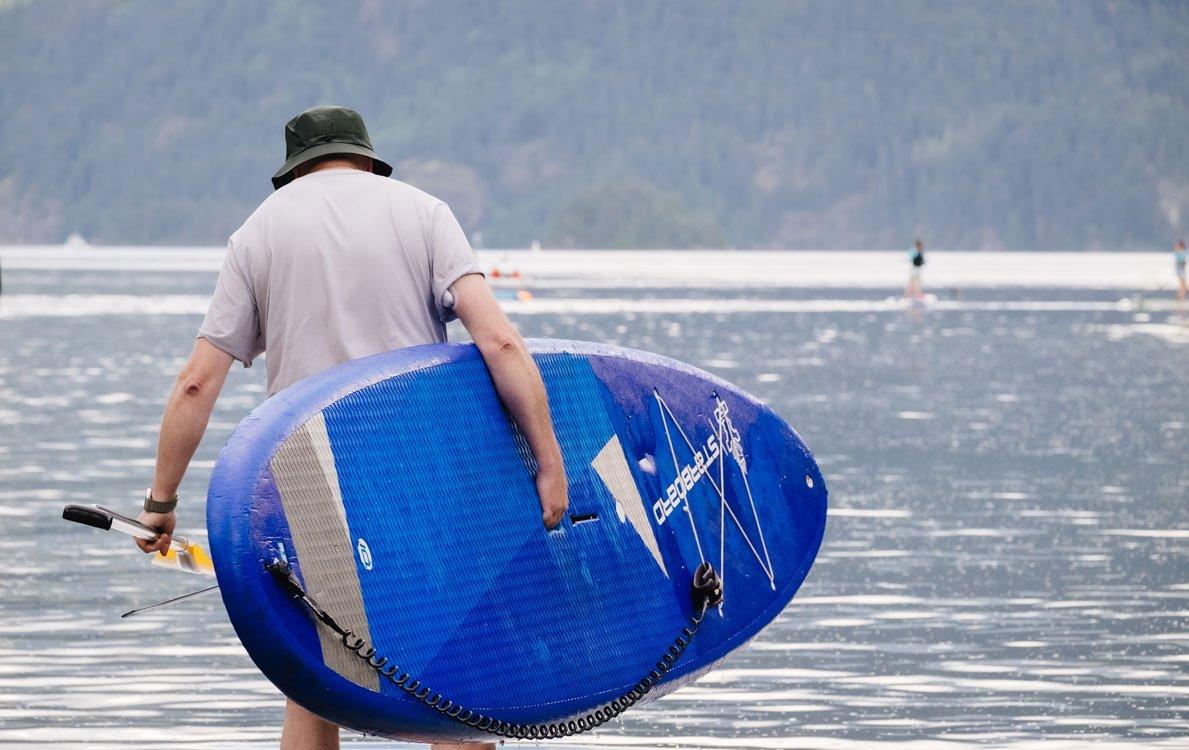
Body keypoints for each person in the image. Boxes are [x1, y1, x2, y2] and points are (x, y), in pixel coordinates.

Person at [131, 105, 569, 750]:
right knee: (455, 678)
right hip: (421, 473)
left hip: (310, 478)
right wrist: (548, 461)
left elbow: (198, 382)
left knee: (315, 683)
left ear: (295, 170)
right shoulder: (424, 213)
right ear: (365, 157)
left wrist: (160, 503)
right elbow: (500, 343)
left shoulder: (256, 234)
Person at [1174, 239, 1187, 305]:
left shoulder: (1182, 252)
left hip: (1181, 270)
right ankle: (1180, 298)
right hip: (1180, 270)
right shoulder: (1179, 253)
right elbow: (1180, 262)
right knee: (1182, 285)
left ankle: (1181, 297)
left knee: (1183, 285)